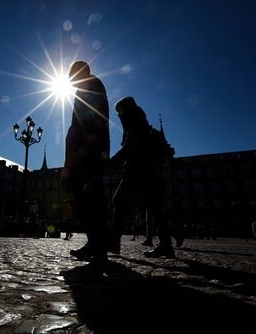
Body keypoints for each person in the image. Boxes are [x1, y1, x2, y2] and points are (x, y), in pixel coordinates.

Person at [110, 96, 175, 258]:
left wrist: (110, 162)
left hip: (138, 169)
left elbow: (131, 146)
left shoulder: (133, 120)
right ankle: (166, 245)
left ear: (125, 109)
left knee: (119, 201)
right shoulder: (139, 119)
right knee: (154, 207)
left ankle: (114, 243)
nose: (119, 115)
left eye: (119, 111)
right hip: (145, 169)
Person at [61, 61, 110, 264]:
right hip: (88, 150)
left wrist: (83, 145)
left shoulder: (92, 85)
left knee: (87, 195)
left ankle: (97, 246)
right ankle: (96, 244)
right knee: (88, 196)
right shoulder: (87, 87)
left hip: (88, 151)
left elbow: (92, 117)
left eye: (72, 75)